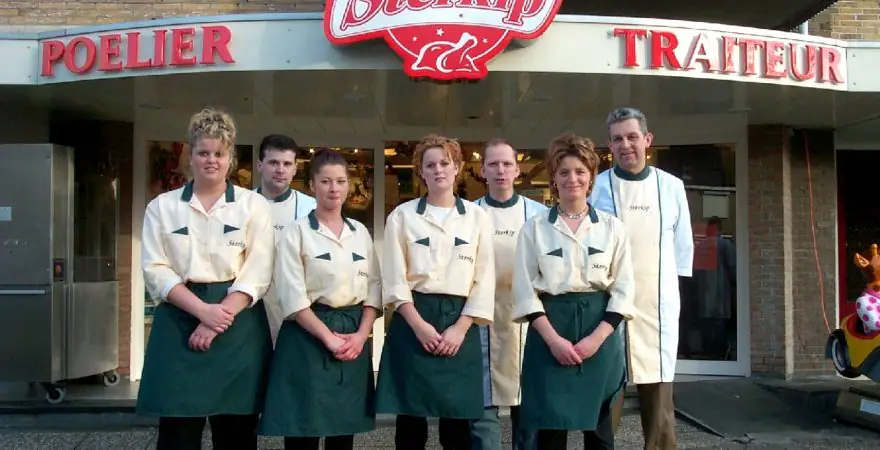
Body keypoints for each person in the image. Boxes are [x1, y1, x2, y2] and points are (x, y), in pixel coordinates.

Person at [138, 108, 275, 450]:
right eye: (203, 153)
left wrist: (216, 319)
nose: (211, 160)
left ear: (231, 159)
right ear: (190, 156)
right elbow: (155, 268)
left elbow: (258, 270)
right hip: (179, 321)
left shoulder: (253, 206)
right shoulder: (162, 207)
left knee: (236, 434)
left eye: (219, 153)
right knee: (178, 435)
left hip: (237, 326)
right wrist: (202, 311)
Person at [512, 132, 634, 450]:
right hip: (549, 332)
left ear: (591, 176)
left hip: (600, 333)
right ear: (554, 178)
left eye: (580, 171)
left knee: (600, 434)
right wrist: (554, 341)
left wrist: (596, 339)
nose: (572, 179)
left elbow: (624, 289)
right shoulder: (535, 228)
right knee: (551, 432)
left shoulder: (612, 228)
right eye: (564, 172)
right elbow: (524, 290)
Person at [375, 134, 496, 449]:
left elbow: (484, 279)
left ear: (458, 168)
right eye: (430, 165)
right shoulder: (402, 216)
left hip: (461, 322)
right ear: (421, 172)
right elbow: (394, 279)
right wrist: (419, 326)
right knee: (410, 420)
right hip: (413, 320)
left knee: (456, 422)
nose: (438, 169)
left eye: (445, 163)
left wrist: (460, 328)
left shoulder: (478, 218)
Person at [258, 148, 382, 450]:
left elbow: (374, 288)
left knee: (343, 430)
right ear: (312, 185)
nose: (334, 188)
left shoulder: (360, 233)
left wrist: (361, 336)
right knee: (303, 430)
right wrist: (328, 338)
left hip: (352, 336)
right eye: (325, 181)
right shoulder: (296, 233)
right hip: (307, 338)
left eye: (340, 181)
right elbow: (292, 295)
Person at [589, 107, 694, 450]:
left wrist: (672, 293)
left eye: (632, 136)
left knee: (658, 388)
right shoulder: (598, 186)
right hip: (609, 302)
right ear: (609, 145)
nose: (626, 145)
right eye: (617, 139)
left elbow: (682, 247)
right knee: (608, 387)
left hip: (657, 303)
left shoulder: (671, 187)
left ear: (647, 140)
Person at [470, 138, 546, 450]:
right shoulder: (469, 213)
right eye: (493, 164)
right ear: (482, 170)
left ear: (517, 169)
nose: (500, 170)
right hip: (481, 320)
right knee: (481, 405)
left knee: (528, 407)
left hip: (528, 321)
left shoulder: (539, 214)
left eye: (506, 164)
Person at [253, 134, 317, 343]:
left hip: (296, 307)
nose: (280, 170)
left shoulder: (311, 208)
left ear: (295, 169)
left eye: (287, 164)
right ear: (260, 165)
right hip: (251, 306)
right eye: (274, 163)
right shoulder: (241, 205)